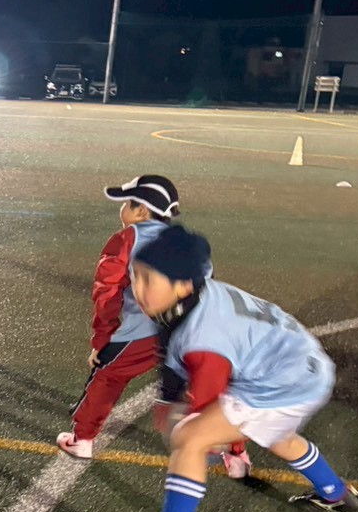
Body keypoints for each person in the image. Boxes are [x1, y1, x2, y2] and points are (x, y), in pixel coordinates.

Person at [103, 225, 358, 512]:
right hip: (304, 369)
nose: (138, 289)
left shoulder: (202, 338)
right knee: (278, 434)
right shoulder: (199, 296)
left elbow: (205, 400)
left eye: (149, 279)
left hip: (280, 383)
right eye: (136, 276)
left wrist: (195, 428)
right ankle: (337, 494)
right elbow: (177, 350)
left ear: (182, 284)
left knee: (190, 439)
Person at [57, 174, 250, 477]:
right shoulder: (187, 240)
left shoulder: (126, 238)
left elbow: (107, 292)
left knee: (107, 375)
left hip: (145, 332)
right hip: (200, 330)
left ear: (142, 211)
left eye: (126, 204)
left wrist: (102, 340)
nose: (122, 210)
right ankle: (236, 456)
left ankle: (82, 440)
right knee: (213, 390)